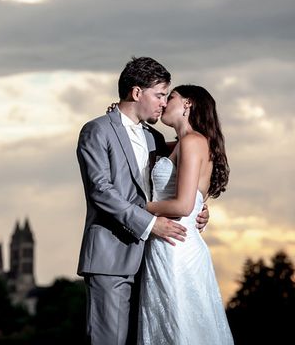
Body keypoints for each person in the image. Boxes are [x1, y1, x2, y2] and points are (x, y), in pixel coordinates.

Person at [75, 56, 209, 345]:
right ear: (137, 93)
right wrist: (150, 224)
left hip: (155, 260)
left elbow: (181, 176)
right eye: (160, 95)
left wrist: (198, 208)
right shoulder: (96, 130)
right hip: (111, 256)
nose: (163, 103)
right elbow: (100, 190)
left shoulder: (156, 139)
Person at [138, 84, 233, 344]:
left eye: (171, 97)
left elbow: (182, 206)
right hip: (169, 243)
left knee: (177, 326)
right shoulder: (179, 144)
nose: (165, 102)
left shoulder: (193, 142)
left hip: (176, 246)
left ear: (188, 103)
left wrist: (137, 208)